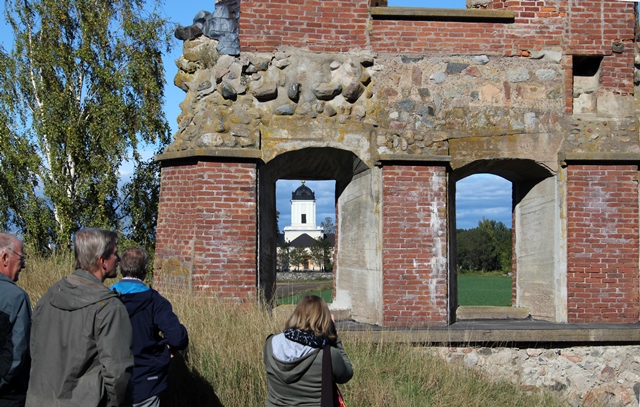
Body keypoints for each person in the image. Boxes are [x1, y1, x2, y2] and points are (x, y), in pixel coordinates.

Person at [25, 228, 133, 407]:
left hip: (38, 400)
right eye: (115, 254)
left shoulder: (48, 297)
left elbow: (34, 351)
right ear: (102, 261)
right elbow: (118, 374)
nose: (119, 259)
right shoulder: (109, 308)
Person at [110, 247, 189, 407]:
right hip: (146, 382)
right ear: (146, 269)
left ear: (120, 267)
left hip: (110, 382)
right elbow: (178, 338)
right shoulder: (155, 301)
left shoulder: (105, 299)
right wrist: (167, 348)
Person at [264, 295, 353, 407]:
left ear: (296, 315)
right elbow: (347, 374)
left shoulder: (270, 343)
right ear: (324, 320)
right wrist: (334, 335)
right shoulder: (327, 354)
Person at [0, 234, 30, 407]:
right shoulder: (16, 298)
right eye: (21, 258)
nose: (24, 265)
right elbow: (15, 355)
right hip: (8, 396)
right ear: (5, 257)